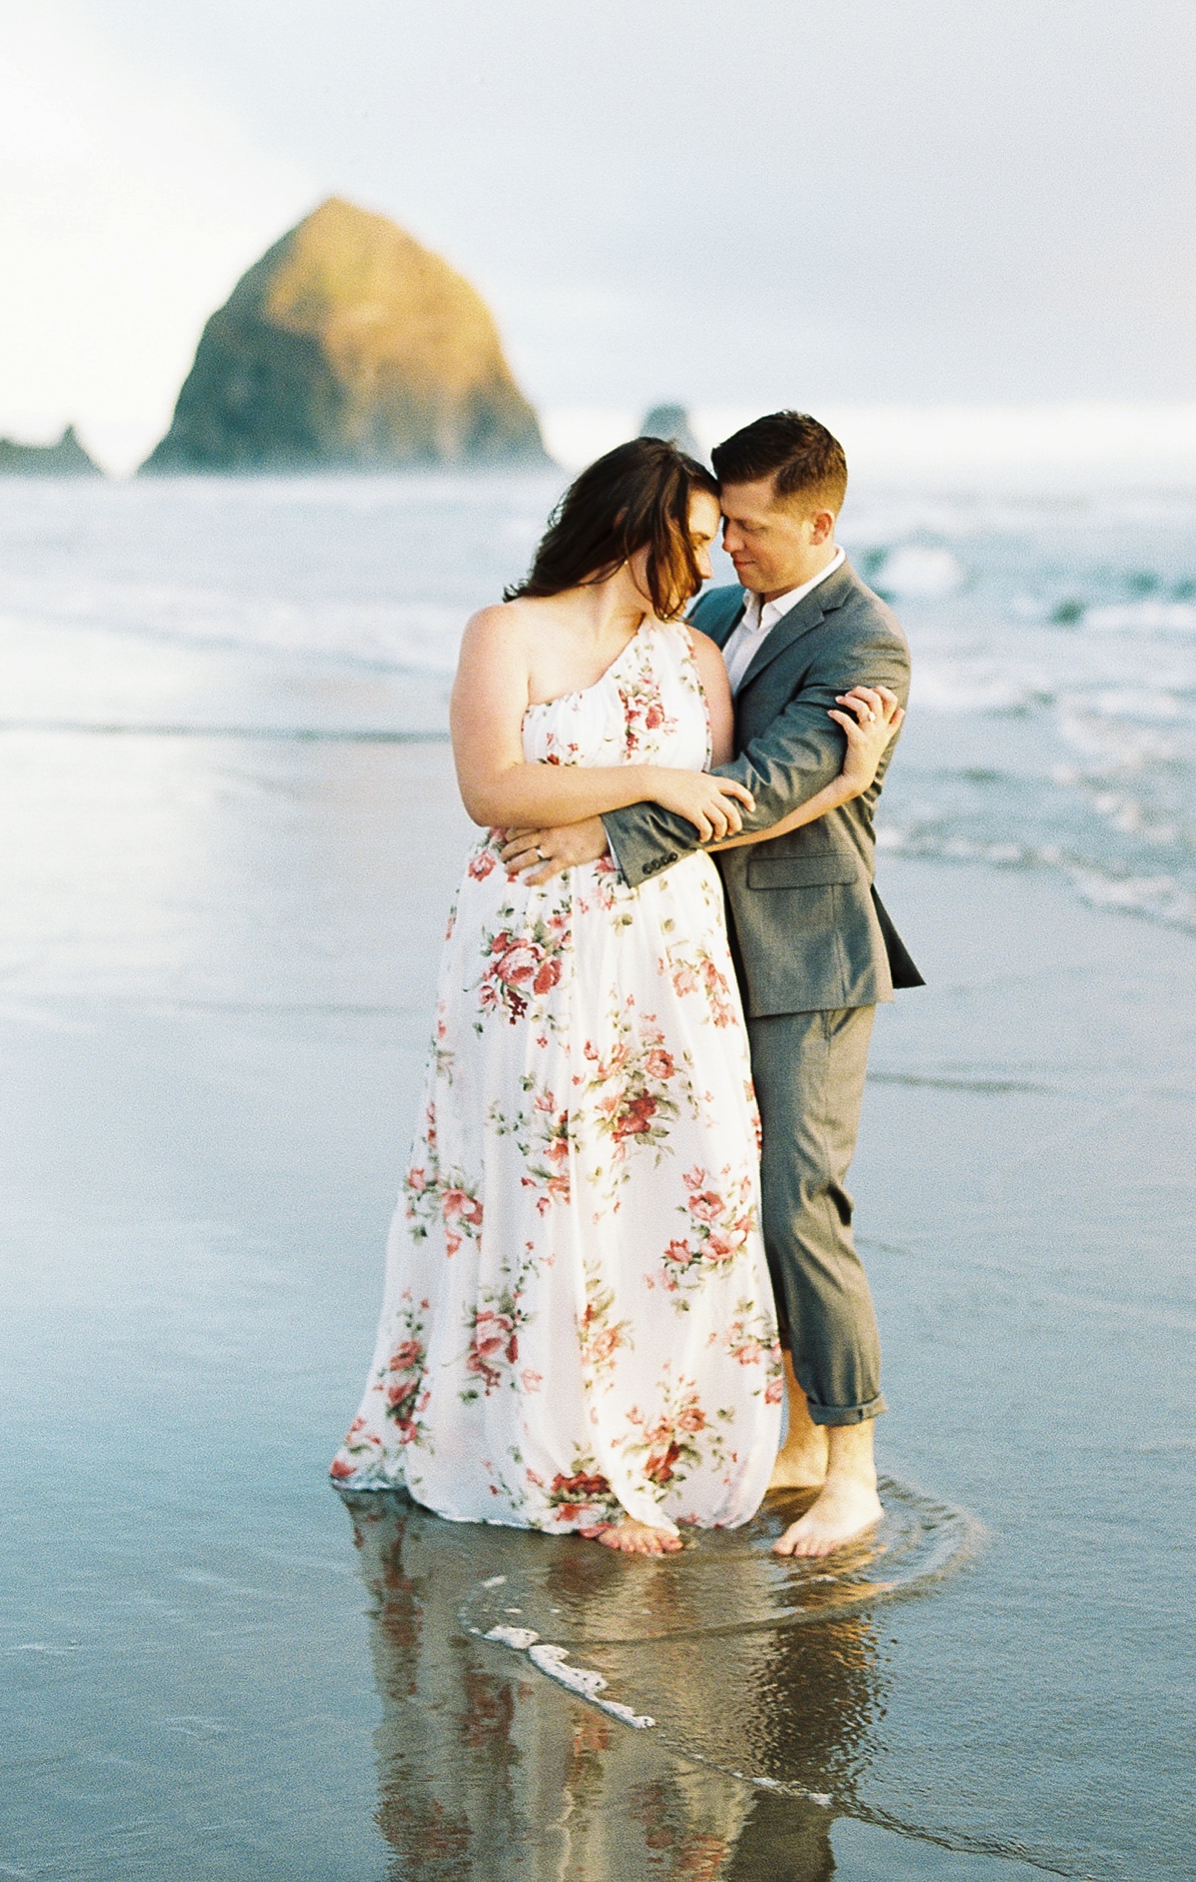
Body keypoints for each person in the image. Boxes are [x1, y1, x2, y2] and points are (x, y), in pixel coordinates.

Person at [331, 436, 902, 1555]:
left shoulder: (700, 653)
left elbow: (730, 807)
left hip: (674, 954)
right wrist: (646, 780)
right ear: (629, 523)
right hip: (533, 947)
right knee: (539, 1176)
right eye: (697, 535)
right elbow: (491, 789)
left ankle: (696, 1440)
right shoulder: (508, 634)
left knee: (688, 1191)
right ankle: (562, 1454)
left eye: (728, 534)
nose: (715, 556)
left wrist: (847, 776)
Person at [502, 413, 919, 1559]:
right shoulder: (724, 612)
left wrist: (605, 834)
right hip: (692, 956)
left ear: (819, 523)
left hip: (804, 960)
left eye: (746, 526)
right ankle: (781, 1438)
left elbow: (770, 784)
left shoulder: (864, 647)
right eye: (717, 521)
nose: (723, 545)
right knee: (720, 1206)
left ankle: (855, 1468)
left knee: (797, 1205)